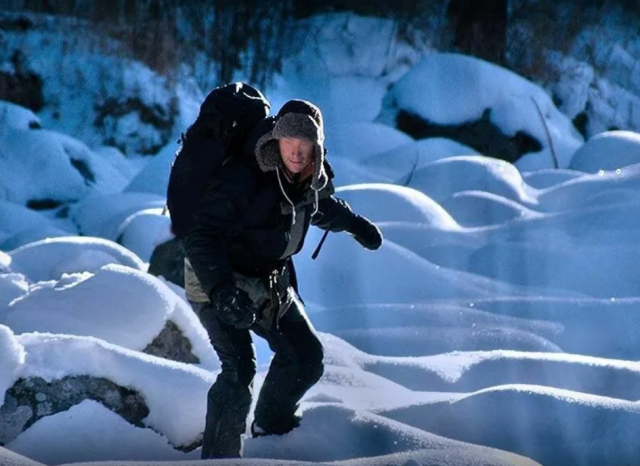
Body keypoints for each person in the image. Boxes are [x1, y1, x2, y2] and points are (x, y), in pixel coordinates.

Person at [183, 99, 383, 459]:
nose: (296, 150)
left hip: (267, 281)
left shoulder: (304, 178)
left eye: (306, 144)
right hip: (215, 275)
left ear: (316, 149)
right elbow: (201, 236)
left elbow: (319, 207)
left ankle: (271, 434)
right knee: (239, 368)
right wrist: (223, 291)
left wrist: (356, 226)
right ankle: (219, 458)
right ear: (277, 138)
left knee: (305, 356)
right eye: (290, 140)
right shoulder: (243, 177)